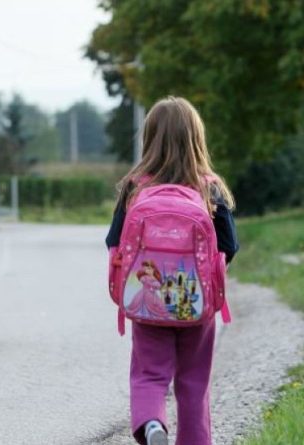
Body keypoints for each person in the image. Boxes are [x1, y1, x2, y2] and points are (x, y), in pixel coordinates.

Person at [105, 96, 240, 445]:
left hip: (147, 305)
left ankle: (152, 425)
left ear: (149, 139)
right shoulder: (209, 188)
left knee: (149, 374)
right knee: (194, 381)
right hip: (196, 304)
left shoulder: (135, 188)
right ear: (196, 138)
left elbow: (115, 246)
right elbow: (229, 247)